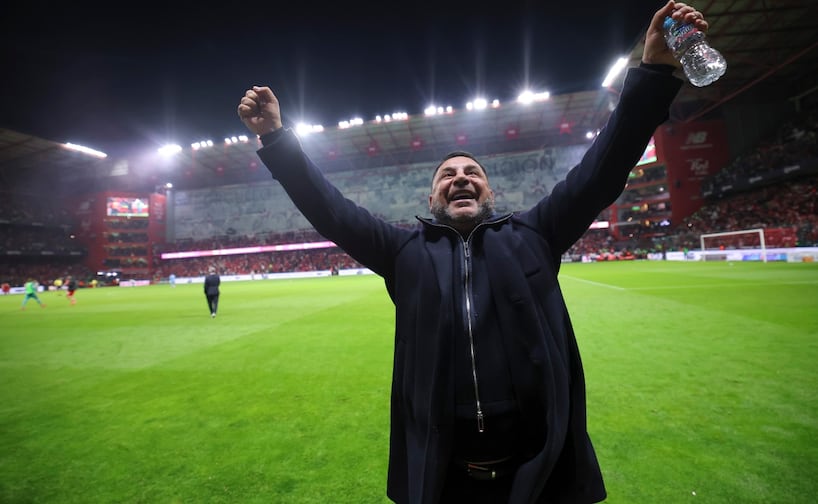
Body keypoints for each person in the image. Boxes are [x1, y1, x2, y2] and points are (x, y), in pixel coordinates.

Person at [237, 2, 703, 502]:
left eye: (472, 173)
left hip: (538, 475)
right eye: (447, 175)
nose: (460, 177)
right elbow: (328, 209)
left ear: (489, 193)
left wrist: (653, 72)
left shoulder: (535, 235)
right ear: (432, 198)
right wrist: (275, 138)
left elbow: (601, 172)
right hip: (445, 478)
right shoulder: (403, 252)